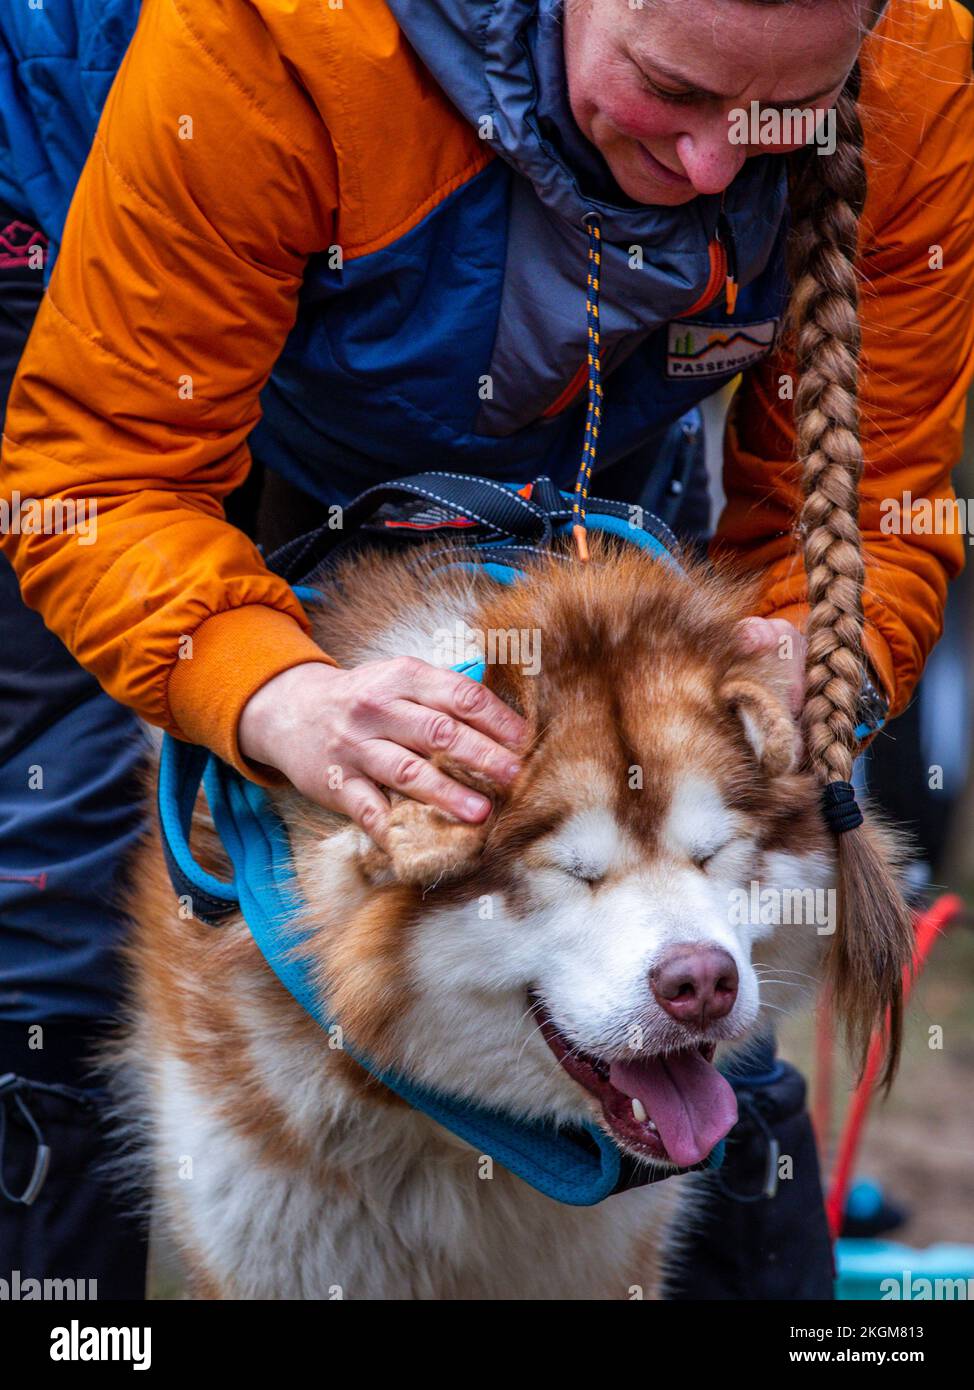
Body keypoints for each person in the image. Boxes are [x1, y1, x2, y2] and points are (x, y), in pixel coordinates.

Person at [0, 0, 971, 1299]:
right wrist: (275, 694)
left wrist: (809, 659)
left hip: (576, 341)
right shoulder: (268, 41)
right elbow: (105, 475)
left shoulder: (909, 63)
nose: (711, 168)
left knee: (656, 815)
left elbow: (875, 489)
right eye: (675, 91)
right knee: (51, 857)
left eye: (773, 117)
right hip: (125, 255)